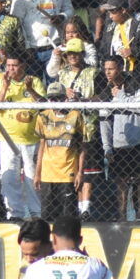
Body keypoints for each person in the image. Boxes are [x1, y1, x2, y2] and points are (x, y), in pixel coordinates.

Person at [0, 50, 46, 221]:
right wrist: (5, 87)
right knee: (10, 178)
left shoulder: (34, 81)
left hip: (31, 138)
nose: (10, 69)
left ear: (22, 66)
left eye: (14, 66)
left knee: (32, 177)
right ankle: (15, 213)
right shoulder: (1, 82)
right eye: (8, 65)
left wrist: (29, 89)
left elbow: (43, 106)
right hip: (8, 138)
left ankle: (36, 213)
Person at [98, 55, 140, 222]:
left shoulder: (135, 83)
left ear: (120, 68)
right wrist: (107, 147)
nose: (108, 72)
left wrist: (121, 96)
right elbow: (104, 121)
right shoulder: (106, 91)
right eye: (106, 69)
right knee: (120, 181)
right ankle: (122, 216)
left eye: (111, 69)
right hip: (119, 143)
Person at [35, 89, 86, 226]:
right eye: (52, 99)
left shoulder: (75, 116)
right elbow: (41, 147)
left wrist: (80, 173)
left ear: (65, 98)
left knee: (68, 219)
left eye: (58, 98)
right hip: (48, 174)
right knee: (47, 218)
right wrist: (37, 173)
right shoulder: (43, 117)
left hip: (67, 174)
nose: (55, 102)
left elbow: (82, 148)